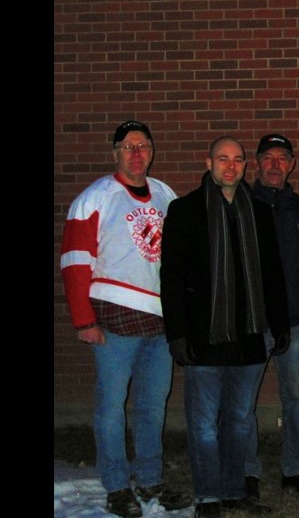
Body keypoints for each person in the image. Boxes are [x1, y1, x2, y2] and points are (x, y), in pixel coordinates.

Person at [60, 120, 190, 518]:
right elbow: (75, 261)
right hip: (114, 321)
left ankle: (150, 479)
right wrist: (84, 320)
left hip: (159, 323)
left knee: (153, 407)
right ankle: (117, 485)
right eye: (129, 146)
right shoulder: (95, 198)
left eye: (144, 146)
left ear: (152, 152)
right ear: (115, 152)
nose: (137, 153)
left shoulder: (167, 195)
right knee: (111, 407)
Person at [160, 136, 290, 517]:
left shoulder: (260, 212)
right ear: (208, 162)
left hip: (250, 339)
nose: (230, 166)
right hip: (204, 338)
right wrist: (177, 334)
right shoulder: (185, 211)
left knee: (239, 420)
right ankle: (208, 497)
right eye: (222, 159)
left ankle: (235, 490)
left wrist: (278, 323)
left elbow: (272, 274)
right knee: (203, 424)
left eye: (237, 160)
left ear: (245, 166)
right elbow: (172, 277)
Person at [243, 134, 299, 499]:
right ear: (257, 163)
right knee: (243, 399)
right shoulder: (241, 206)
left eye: (282, 158)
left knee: (295, 398)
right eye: (268, 157)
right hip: (250, 323)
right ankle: (246, 471)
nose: (275, 164)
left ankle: (295, 469)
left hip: (295, 322)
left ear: (292, 163)